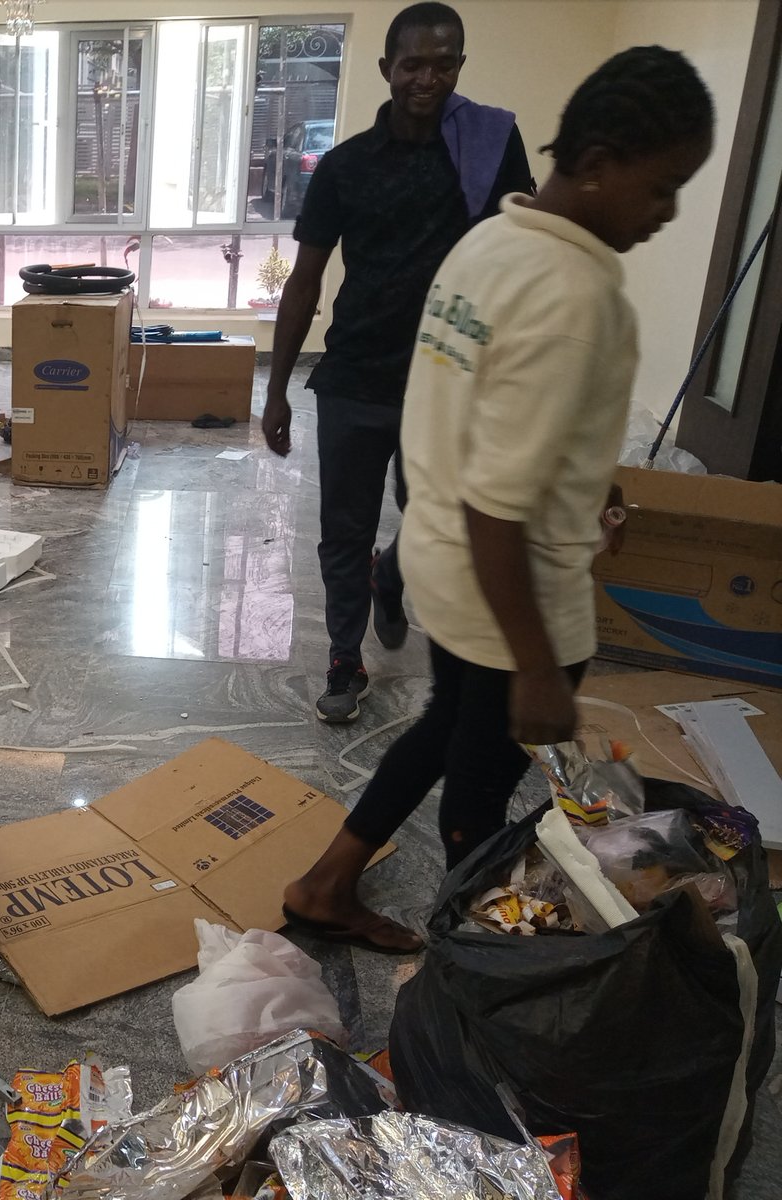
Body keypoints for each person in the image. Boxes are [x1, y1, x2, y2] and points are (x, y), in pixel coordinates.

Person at [281, 46, 715, 953]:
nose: (669, 211)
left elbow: (504, 418)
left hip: (442, 557)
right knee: (478, 803)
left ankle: (326, 883)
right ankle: (466, 989)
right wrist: (539, 667)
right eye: (664, 186)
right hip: (511, 592)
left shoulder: (492, 239)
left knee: (445, 727)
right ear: (597, 165)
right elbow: (501, 504)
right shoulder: (580, 292)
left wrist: (589, 483)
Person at [262, 2, 534, 724]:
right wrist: (278, 389)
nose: (428, 78)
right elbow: (305, 281)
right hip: (354, 375)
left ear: (460, 68)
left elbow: (522, 250)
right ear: (387, 70)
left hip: (448, 383)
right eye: (413, 63)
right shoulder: (346, 167)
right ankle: (344, 662)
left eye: (444, 63)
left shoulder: (489, 150)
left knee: (431, 519)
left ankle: (394, 575)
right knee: (344, 526)